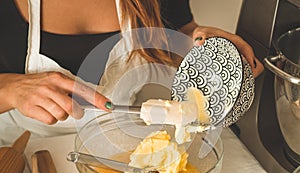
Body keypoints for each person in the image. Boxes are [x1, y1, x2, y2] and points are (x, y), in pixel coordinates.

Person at [0, 0, 263, 144]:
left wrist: (200, 45)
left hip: (122, 147)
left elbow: (175, 35)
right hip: (22, 149)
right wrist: (10, 89)